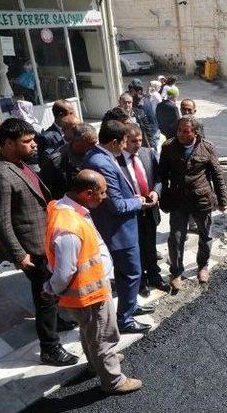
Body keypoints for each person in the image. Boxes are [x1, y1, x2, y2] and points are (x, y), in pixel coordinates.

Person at [0, 118, 79, 366]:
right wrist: (20, 256)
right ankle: (50, 348)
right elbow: (1, 222)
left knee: (50, 291)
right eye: (27, 141)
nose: (34, 144)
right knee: (44, 296)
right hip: (29, 249)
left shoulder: (18, 163)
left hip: (41, 241)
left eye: (33, 139)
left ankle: (57, 320)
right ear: (9, 144)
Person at [42, 170, 143, 394]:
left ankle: (96, 363)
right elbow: (63, 272)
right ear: (88, 193)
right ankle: (114, 380)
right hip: (89, 293)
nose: (105, 196)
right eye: (102, 192)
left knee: (90, 332)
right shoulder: (69, 228)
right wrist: (50, 289)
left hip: (89, 290)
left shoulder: (66, 208)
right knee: (103, 336)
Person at [83, 120, 154, 334]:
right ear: (114, 142)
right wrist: (139, 201)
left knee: (128, 274)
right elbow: (115, 205)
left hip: (118, 227)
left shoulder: (99, 156)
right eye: (124, 142)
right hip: (118, 230)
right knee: (131, 273)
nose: (125, 147)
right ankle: (125, 319)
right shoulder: (102, 163)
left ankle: (130, 306)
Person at [159, 117, 227, 289]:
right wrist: (163, 199)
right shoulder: (168, 147)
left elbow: (217, 175)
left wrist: (222, 199)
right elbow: (162, 175)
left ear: (195, 132)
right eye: (179, 130)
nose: (180, 134)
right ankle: (176, 272)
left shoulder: (207, 147)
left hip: (201, 200)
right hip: (178, 201)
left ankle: (203, 266)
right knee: (175, 238)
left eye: (185, 131)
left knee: (205, 235)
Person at [117, 125, 169, 296]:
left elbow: (159, 178)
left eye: (139, 140)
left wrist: (156, 192)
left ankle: (155, 276)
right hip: (131, 213)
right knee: (136, 249)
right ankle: (141, 282)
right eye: (133, 141)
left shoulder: (148, 153)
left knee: (150, 247)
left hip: (150, 209)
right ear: (124, 140)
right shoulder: (116, 160)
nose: (138, 144)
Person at [39, 123, 98, 199]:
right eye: (91, 143)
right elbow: (47, 190)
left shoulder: (94, 154)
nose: (95, 146)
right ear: (77, 141)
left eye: (95, 143)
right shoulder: (55, 161)